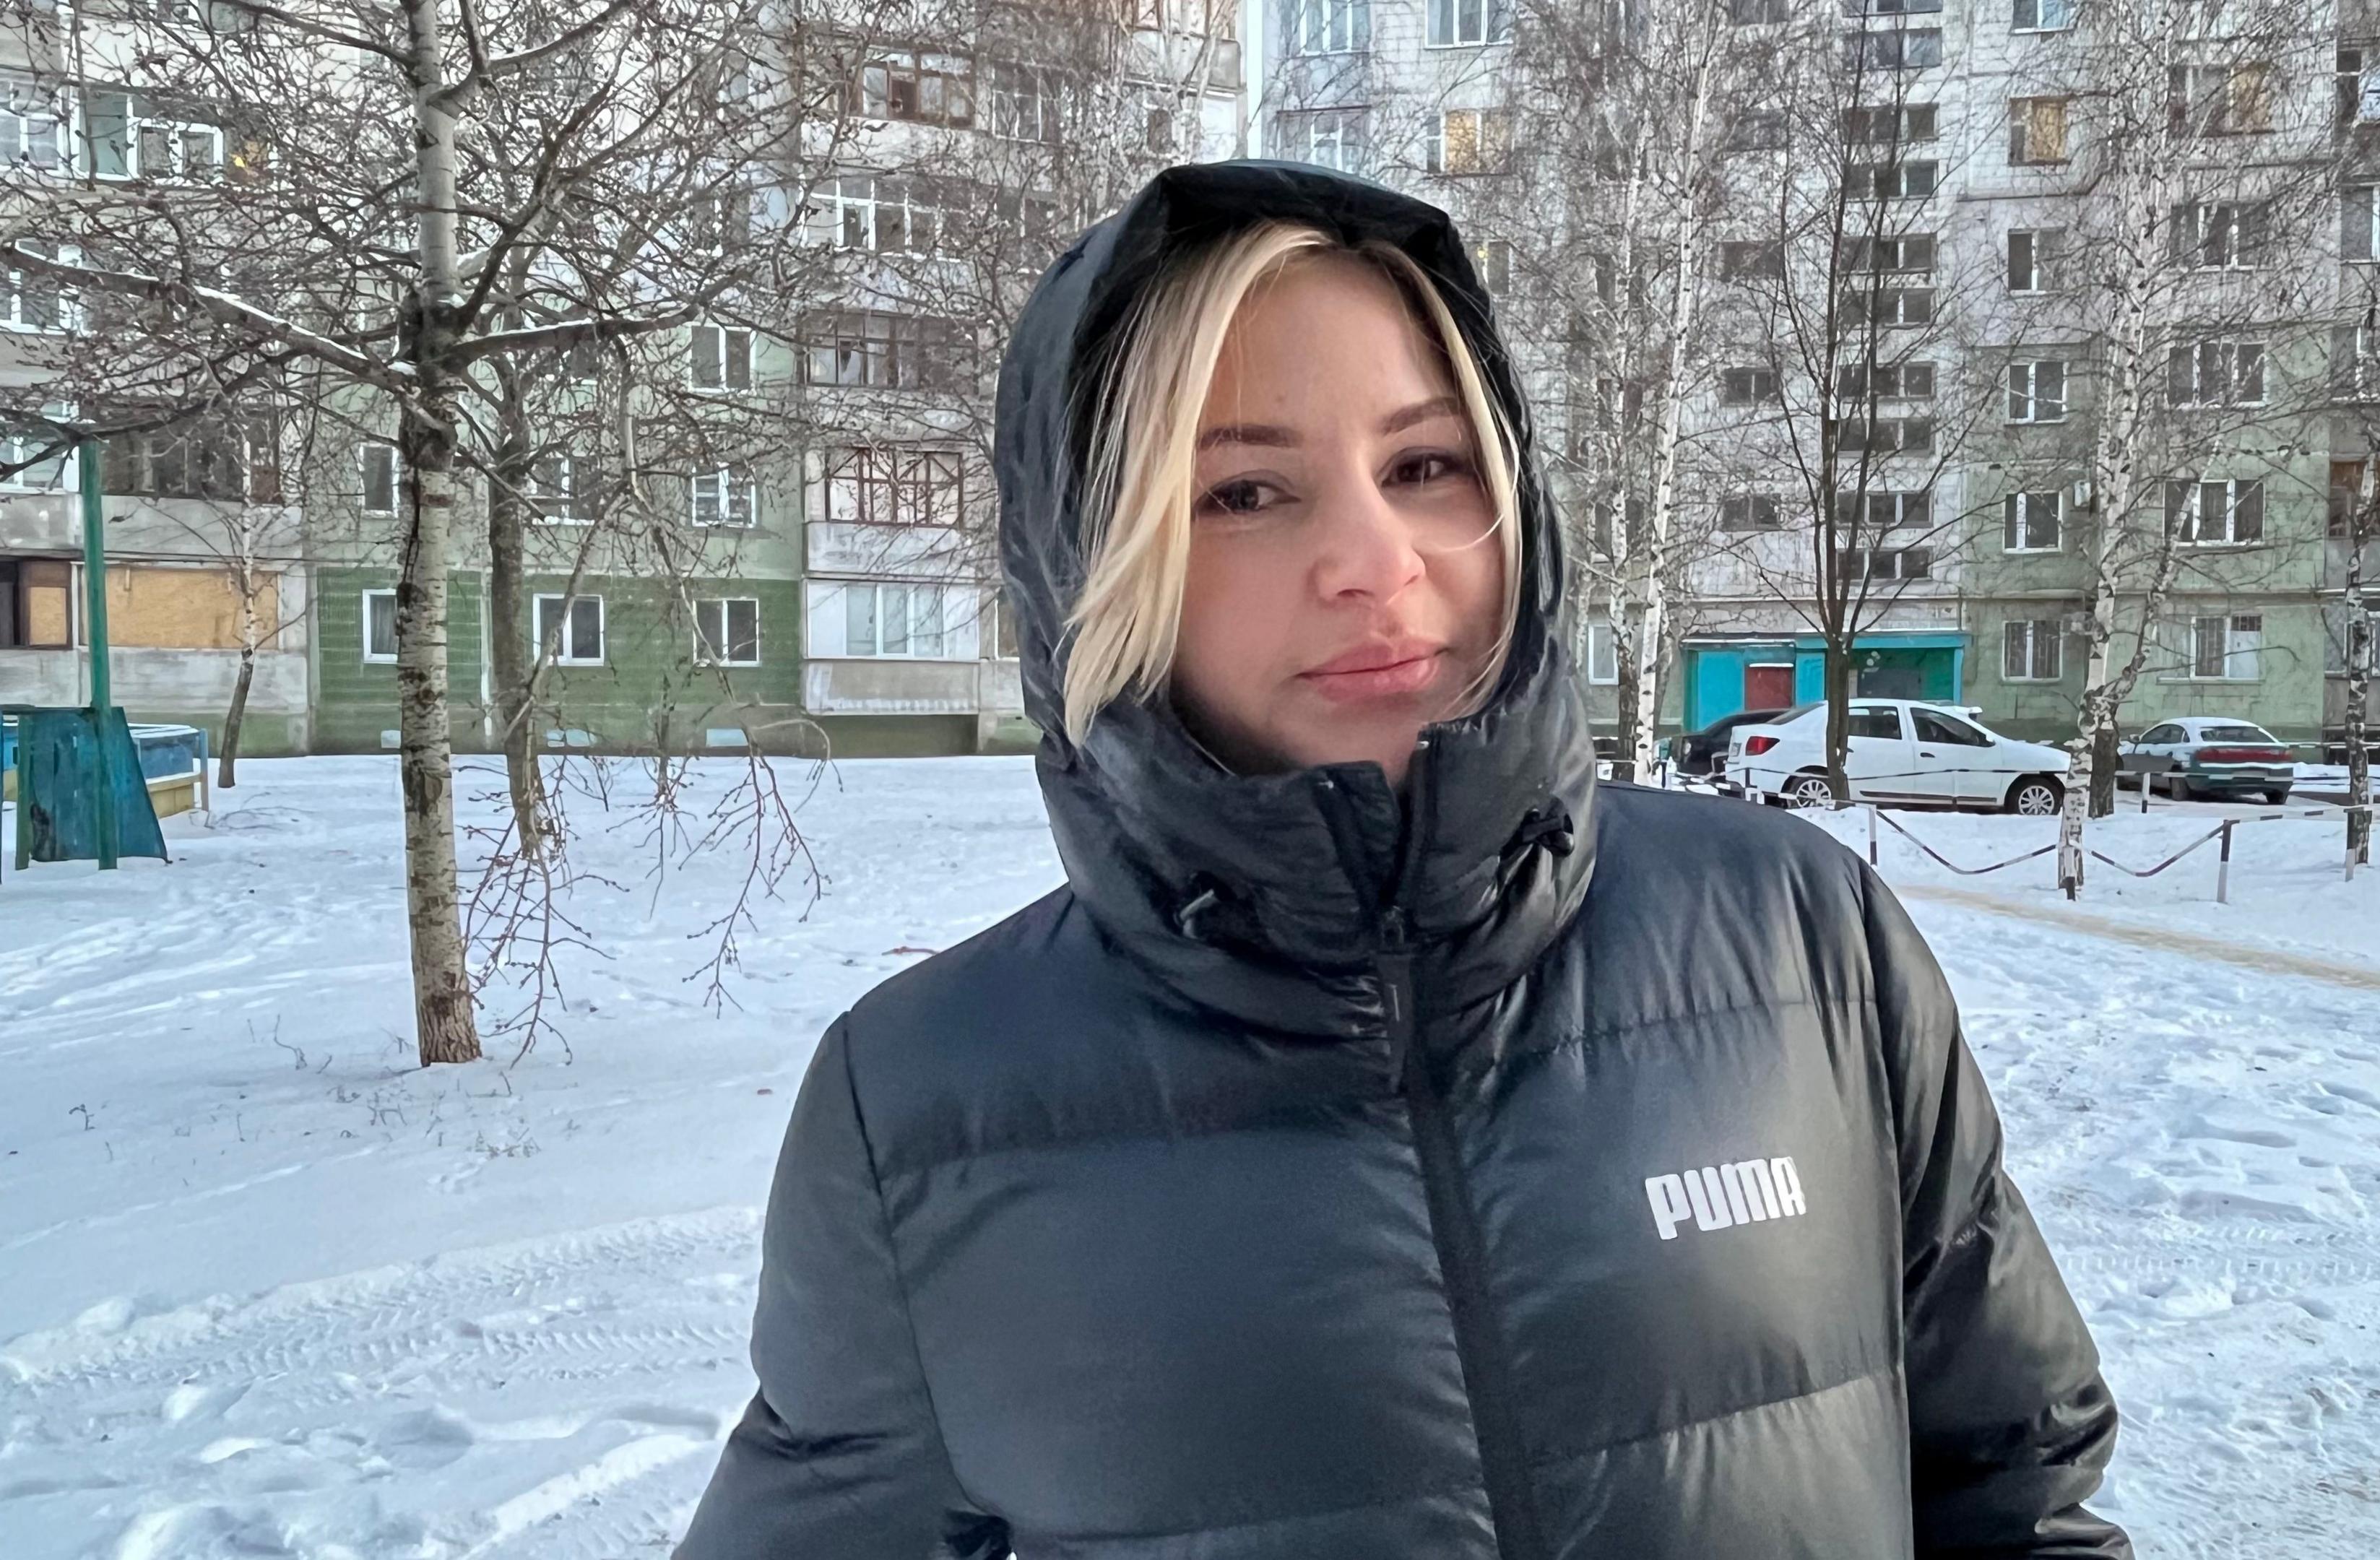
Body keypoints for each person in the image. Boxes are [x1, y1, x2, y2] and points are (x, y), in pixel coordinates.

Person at [676, 162, 2126, 1560]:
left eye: (1425, 465)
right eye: (1244, 492)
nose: (1376, 559)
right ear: (1095, 563)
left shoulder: (1806, 943)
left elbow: (2019, 1493)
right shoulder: (923, 1111)